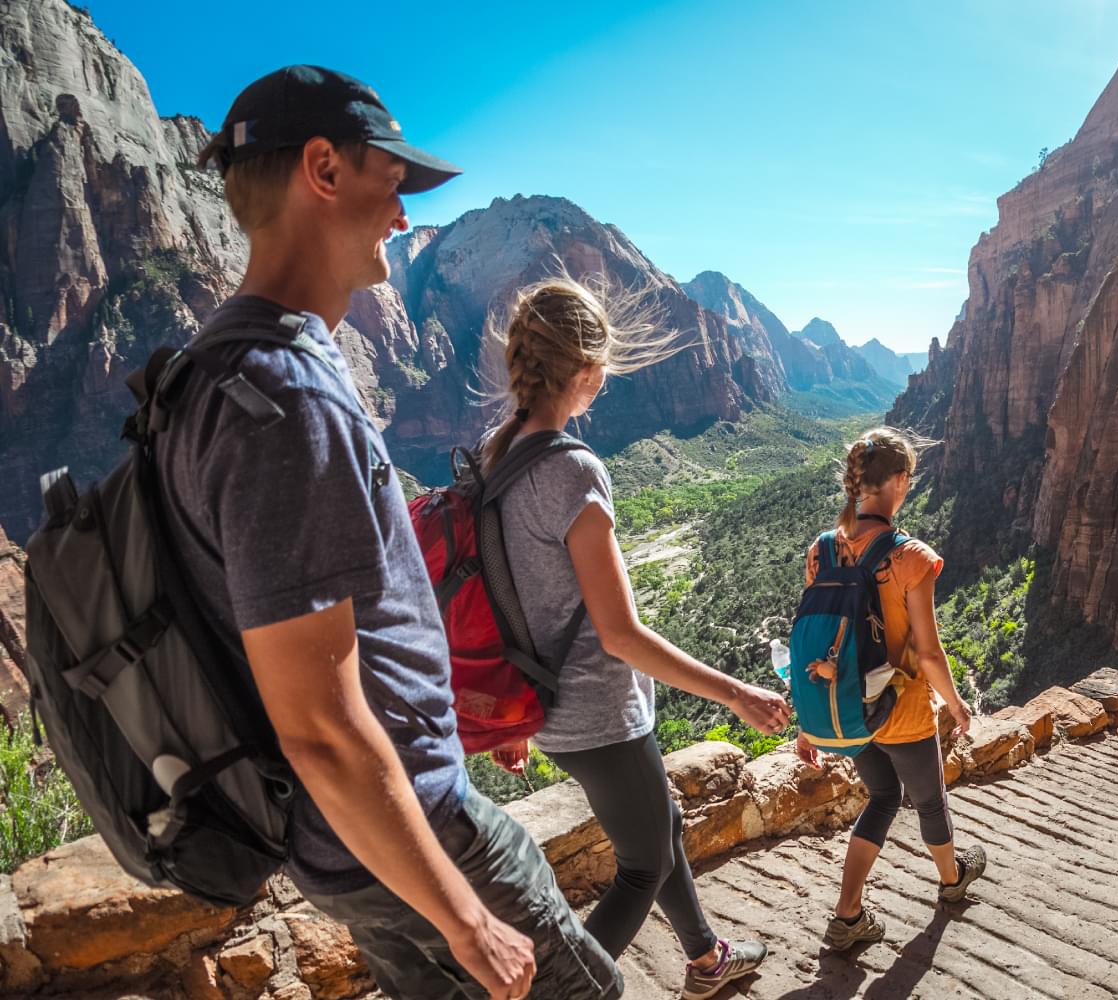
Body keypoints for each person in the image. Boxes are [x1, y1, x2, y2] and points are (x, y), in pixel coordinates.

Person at [172, 66, 614, 999]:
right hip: (410, 828)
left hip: (352, 842)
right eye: (394, 183)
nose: (405, 219)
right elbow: (323, 727)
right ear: (324, 169)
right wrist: (466, 919)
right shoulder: (284, 399)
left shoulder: (205, 371)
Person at [482, 276, 792, 999]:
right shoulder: (572, 469)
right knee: (640, 866)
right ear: (587, 374)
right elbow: (619, 634)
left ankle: (706, 957)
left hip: (549, 708)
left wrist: (513, 703)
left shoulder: (496, 458)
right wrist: (736, 692)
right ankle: (565, 992)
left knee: (661, 827)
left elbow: (503, 590)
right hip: (599, 713)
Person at [794, 428, 989, 950]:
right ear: (900, 481)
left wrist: (807, 719)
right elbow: (927, 651)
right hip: (899, 710)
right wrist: (955, 702)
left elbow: (816, 635)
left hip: (849, 712)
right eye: (910, 477)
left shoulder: (822, 550)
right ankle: (952, 882)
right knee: (930, 800)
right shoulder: (912, 558)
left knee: (882, 796)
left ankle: (848, 913)